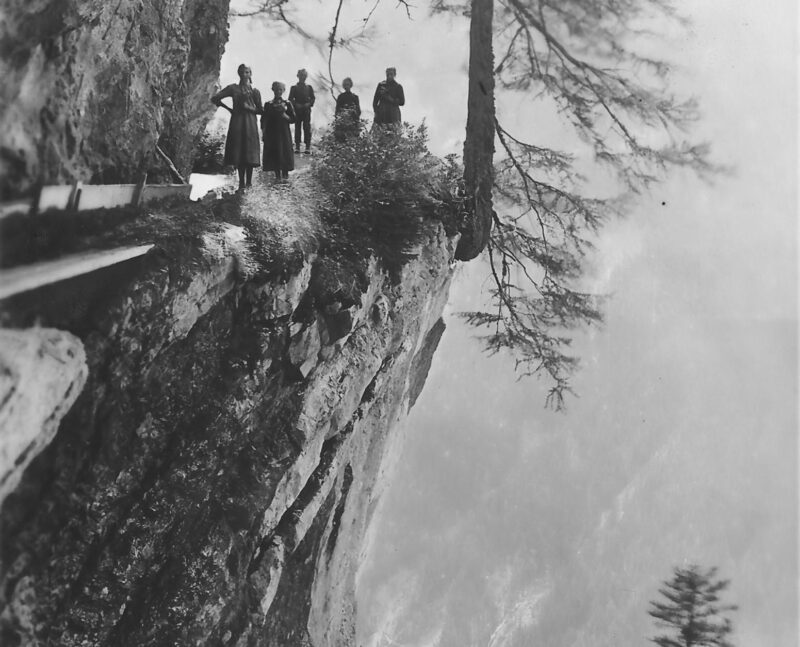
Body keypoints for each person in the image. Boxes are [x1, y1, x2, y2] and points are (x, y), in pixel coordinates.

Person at [211, 64, 262, 190]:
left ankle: (249, 183)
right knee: (239, 150)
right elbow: (215, 98)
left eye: (247, 72)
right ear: (239, 73)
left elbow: (260, 110)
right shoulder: (233, 88)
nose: (245, 75)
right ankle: (241, 183)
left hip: (250, 123)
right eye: (243, 72)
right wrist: (229, 109)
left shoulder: (255, 91)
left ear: (251, 74)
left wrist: (249, 108)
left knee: (249, 151)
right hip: (238, 122)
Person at [261, 81, 296, 180]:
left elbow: (293, 119)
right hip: (272, 133)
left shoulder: (287, 104)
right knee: (275, 152)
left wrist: (284, 115)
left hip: (284, 132)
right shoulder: (268, 104)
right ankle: (277, 176)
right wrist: (264, 132)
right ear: (273, 90)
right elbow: (264, 119)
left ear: (284, 91)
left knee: (284, 151)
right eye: (276, 89)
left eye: (280, 89)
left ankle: (285, 175)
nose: (278, 92)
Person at [288, 68, 315, 154]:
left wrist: (309, 104)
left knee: (307, 128)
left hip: (306, 111)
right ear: (298, 76)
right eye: (301, 75)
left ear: (306, 77)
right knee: (297, 128)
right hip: (297, 110)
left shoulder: (309, 87)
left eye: (304, 75)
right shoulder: (294, 88)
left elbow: (313, 98)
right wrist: (296, 104)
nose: (302, 77)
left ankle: (307, 147)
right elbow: (290, 99)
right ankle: (297, 146)